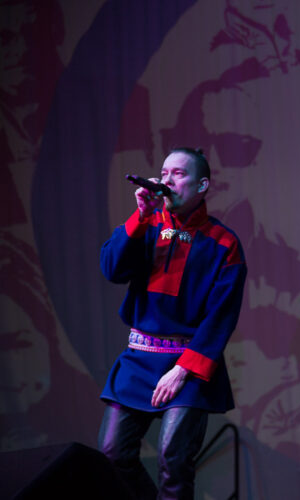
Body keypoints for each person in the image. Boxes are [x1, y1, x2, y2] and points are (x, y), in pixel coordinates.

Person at [98, 147, 247, 499]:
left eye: (178, 174)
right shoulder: (145, 225)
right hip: (139, 358)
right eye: (164, 173)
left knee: (173, 460)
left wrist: (182, 370)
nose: (167, 180)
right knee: (112, 454)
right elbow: (111, 269)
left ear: (202, 185)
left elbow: (220, 317)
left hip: (186, 366)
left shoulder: (224, 243)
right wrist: (139, 217)